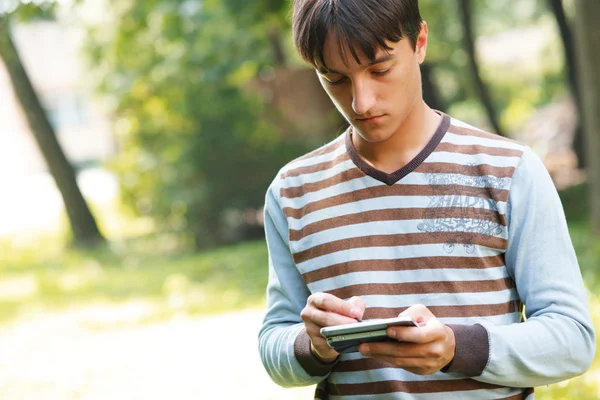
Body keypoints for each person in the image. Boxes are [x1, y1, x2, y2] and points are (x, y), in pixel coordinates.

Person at [258, 0, 596, 398]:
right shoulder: (291, 192)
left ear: (419, 41)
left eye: (380, 69)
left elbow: (572, 340)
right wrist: (312, 344)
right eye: (335, 78)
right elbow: (274, 344)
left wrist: (458, 348)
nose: (360, 102)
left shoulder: (509, 170)